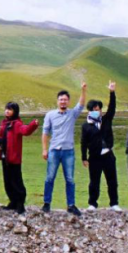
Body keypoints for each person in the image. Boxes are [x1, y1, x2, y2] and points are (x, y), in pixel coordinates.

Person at [42, 82, 87, 216]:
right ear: (57, 101)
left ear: (68, 101)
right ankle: (46, 203)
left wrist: (83, 90)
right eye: (61, 99)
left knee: (70, 179)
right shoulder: (50, 115)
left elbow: (81, 104)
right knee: (50, 177)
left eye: (65, 100)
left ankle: (71, 205)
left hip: (68, 151)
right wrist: (44, 149)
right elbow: (45, 133)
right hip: (54, 150)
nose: (63, 101)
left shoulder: (72, 114)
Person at [81, 80, 121, 212]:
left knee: (112, 181)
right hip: (94, 157)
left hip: (108, 155)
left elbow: (112, 107)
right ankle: (92, 203)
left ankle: (114, 203)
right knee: (94, 182)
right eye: (93, 109)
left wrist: (112, 92)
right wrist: (84, 157)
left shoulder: (106, 119)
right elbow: (83, 142)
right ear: (89, 110)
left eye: (98, 108)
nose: (96, 111)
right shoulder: (86, 125)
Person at [0, 101, 39, 214]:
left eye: (10, 109)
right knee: (7, 181)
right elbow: (2, 136)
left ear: (15, 111)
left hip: (14, 158)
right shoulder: (4, 123)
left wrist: (33, 124)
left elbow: (25, 131)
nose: (7, 111)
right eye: (6, 108)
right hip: (4, 157)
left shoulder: (16, 124)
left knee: (16, 181)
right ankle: (13, 202)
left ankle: (20, 203)